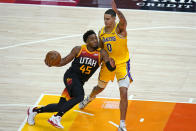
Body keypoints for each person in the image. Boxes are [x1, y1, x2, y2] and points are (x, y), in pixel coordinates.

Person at [27, 30, 116, 129]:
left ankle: (34, 111)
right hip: (71, 77)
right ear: (86, 42)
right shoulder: (78, 49)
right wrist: (52, 63)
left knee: (60, 106)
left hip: (79, 82)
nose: (95, 40)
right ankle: (57, 117)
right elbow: (64, 61)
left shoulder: (102, 53)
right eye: (92, 39)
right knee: (80, 96)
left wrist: (112, 66)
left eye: (95, 38)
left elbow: (109, 66)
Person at [79, 1, 133, 131]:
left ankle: (122, 124)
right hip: (108, 64)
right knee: (100, 88)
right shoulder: (101, 32)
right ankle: (90, 98)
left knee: (124, 93)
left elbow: (124, 21)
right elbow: (101, 50)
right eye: (104, 19)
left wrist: (118, 11)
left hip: (122, 64)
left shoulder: (120, 28)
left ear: (114, 19)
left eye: (108, 19)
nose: (105, 21)